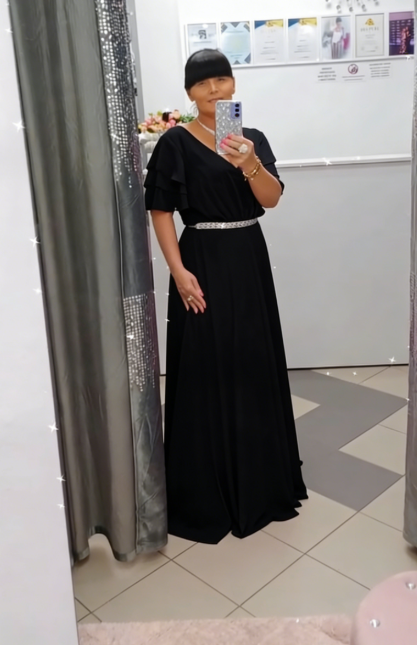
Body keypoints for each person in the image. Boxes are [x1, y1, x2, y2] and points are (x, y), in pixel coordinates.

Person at [144, 49, 307, 544]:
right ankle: (206, 483)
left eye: (222, 79)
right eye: (203, 83)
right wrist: (178, 271)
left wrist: (250, 163)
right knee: (207, 363)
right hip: (201, 259)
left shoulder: (252, 138)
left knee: (252, 357)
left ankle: (261, 474)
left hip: (248, 256)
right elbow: (160, 210)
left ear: (233, 84)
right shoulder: (174, 142)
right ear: (189, 93)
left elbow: (271, 200)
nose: (214, 90)